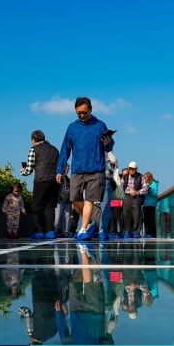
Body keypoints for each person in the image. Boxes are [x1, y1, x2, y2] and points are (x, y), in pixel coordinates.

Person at [56, 97, 113, 241]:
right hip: (78, 169)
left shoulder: (100, 125)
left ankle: (83, 229)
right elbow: (65, 149)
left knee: (89, 200)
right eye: (79, 113)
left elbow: (109, 146)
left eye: (84, 112)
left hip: (96, 168)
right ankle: (91, 223)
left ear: (91, 109)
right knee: (74, 199)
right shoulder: (72, 127)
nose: (81, 115)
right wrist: (60, 169)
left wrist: (107, 142)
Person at [20, 129, 60, 239]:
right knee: (50, 206)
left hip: (41, 181)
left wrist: (22, 170)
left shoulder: (34, 149)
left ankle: (39, 231)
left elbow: (28, 170)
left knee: (36, 206)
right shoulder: (54, 149)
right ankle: (50, 231)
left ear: (33, 140)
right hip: (54, 181)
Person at [120, 162, 145, 238]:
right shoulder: (125, 177)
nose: (131, 170)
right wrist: (129, 190)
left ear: (136, 169)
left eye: (133, 169)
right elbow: (121, 187)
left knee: (137, 214)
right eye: (130, 168)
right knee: (126, 214)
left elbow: (145, 188)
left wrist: (137, 192)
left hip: (137, 197)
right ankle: (127, 231)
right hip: (127, 197)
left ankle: (136, 232)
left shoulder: (141, 177)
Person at [142, 171, 160, 238]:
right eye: (144, 178)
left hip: (152, 204)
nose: (145, 179)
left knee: (151, 220)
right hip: (145, 204)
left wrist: (150, 190)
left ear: (149, 177)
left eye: (146, 178)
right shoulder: (144, 184)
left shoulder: (154, 184)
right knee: (146, 219)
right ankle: (147, 233)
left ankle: (152, 233)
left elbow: (154, 194)